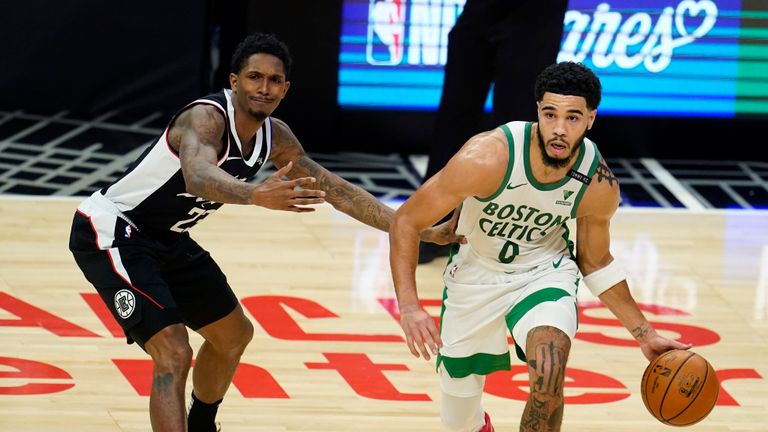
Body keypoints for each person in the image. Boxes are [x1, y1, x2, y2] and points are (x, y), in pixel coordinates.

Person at [68, 32, 457, 432]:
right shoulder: (204, 118)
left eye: (274, 81)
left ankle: (202, 425)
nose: (264, 87)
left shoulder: (277, 137)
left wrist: (414, 228)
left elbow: (338, 192)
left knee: (234, 336)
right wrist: (254, 194)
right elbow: (198, 176)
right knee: (173, 353)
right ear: (234, 81)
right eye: (255, 77)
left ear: (285, 89)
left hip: (168, 239)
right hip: (114, 230)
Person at [388, 61, 692, 431]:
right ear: (537, 112)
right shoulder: (486, 158)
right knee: (459, 419)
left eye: (573, 118)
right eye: (550, 114)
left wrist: (644, 333)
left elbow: (595, 262)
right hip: (474, 276)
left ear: (591, 119)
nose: (560, 129)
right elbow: (407, 220)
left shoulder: (596, 182)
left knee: (548, 377)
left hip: (542, 273)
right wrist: (409, 307)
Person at [418, 0, 569, 264]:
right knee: (455, 115)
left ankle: (511, 234)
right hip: (482, 8)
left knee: (517, 126)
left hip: (535, 16)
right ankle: (435, 223)